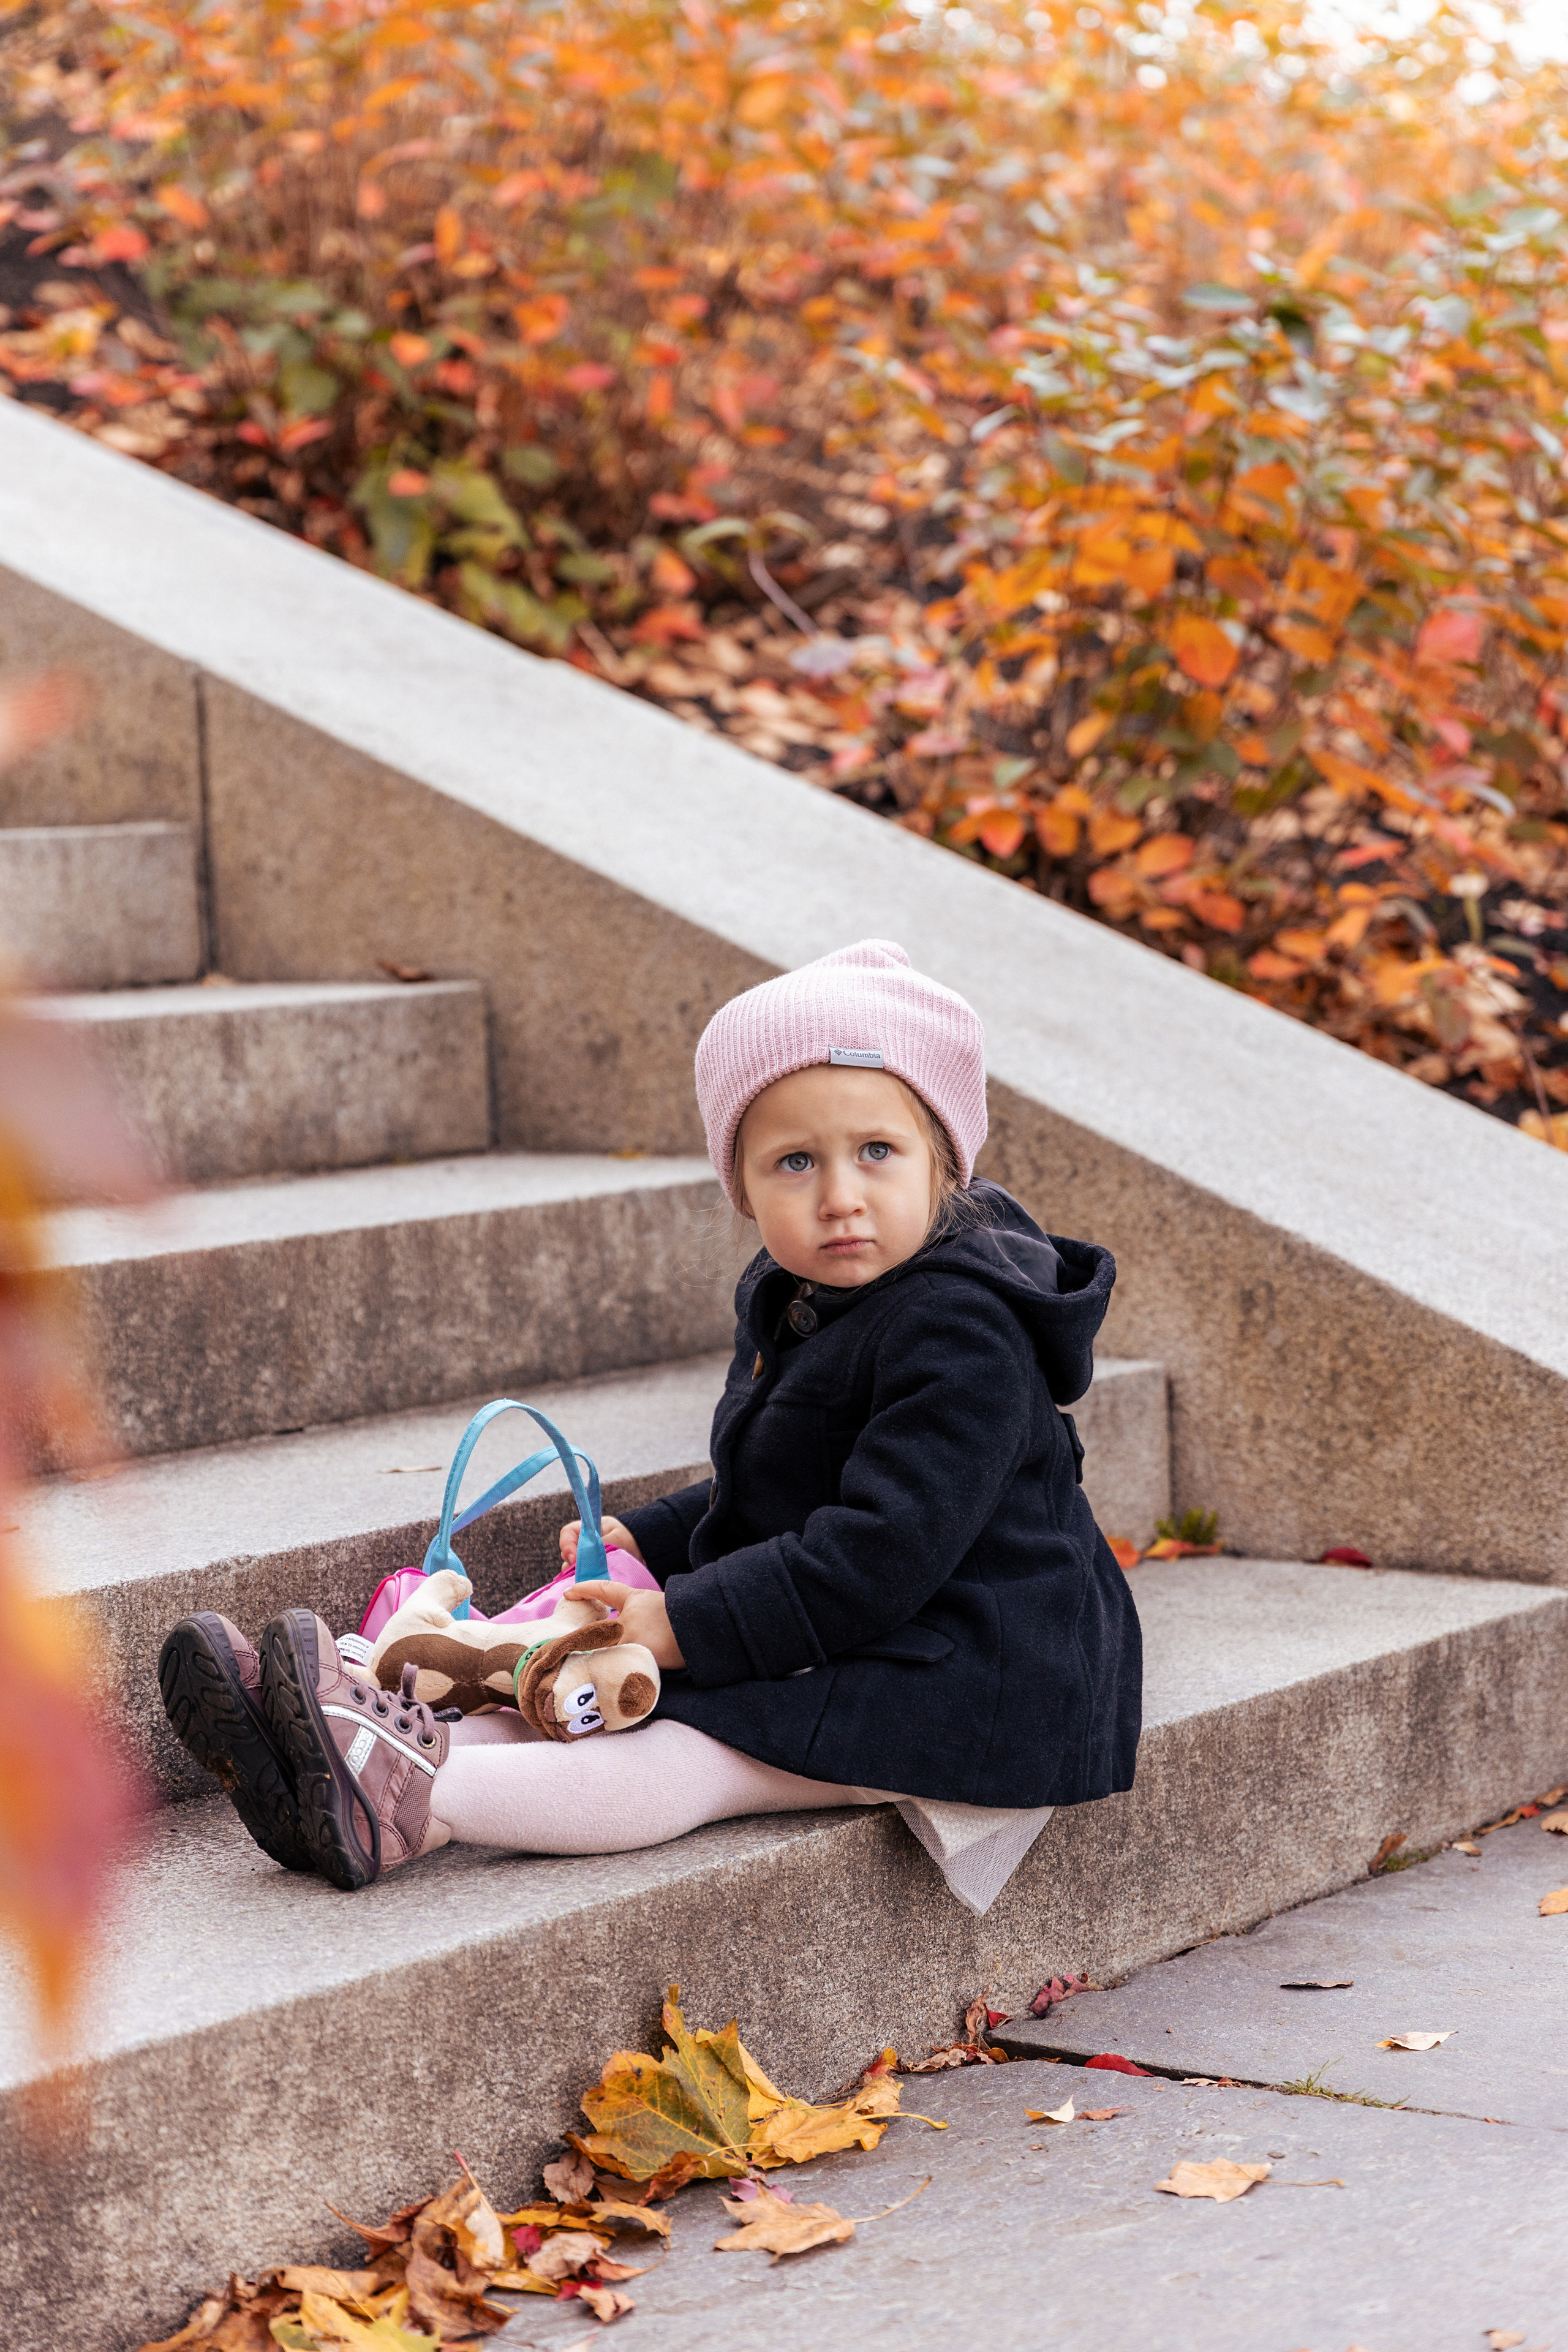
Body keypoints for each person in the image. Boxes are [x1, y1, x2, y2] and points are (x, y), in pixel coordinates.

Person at [159, 940, 1141, 1915]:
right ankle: (333, 1751)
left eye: (877, 1152)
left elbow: (881, 1548)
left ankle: (418, 1795)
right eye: (795, 1162)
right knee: (581, 1692)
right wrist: (662, 1534)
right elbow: (796, 1475)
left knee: (695, 1743)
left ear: (944, 1165)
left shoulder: (961, 1329)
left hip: (983, 1672)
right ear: (742, 1186)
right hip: (885, 1627)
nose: (841, 1196)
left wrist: (687, 1622)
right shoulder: (809, 1296)